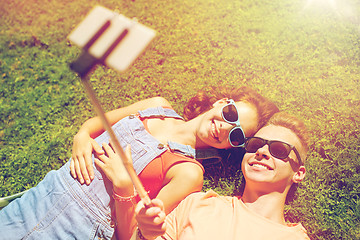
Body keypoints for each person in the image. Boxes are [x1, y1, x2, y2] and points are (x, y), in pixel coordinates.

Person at [0, 85, 279, 240]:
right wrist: (81, 136)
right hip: (44, 195)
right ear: (221, 102)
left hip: (80, 230)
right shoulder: (157, 105)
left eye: (237, 133)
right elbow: (97, 124)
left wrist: (123, 185)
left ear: (235, 145)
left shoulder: (189, 172)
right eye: (230, 114)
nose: (225, 128)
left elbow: (130, 235)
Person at [132, 111, 310, 240]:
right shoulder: (198, 204)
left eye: (279, 149)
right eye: (255, 144)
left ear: (299, 173)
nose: (262, 151)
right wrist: (144, 234)